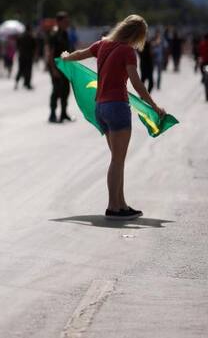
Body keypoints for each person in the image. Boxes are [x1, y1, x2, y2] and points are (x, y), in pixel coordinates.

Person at [60, 14, 164, 220]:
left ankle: (121, 204)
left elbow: (80, 54)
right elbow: (136, 83)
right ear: (136, 35)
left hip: (101, 107)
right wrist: (154, 106)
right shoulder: (127, 52)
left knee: (118, 159)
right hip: (117, 107)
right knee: (118, 160)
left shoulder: (103, 44)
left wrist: (66, 57)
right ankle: (113, 207)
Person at [46, 12, 74, 123]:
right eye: (65, 21)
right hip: (56, 67)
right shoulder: (54, 34)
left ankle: (63, 113)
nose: (67, 23)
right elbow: (50, 53)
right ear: (58, 22)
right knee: (56, 90)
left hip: (64, 66)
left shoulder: (65, 33)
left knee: (66, 90)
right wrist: (53, 69)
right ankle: (52, 114)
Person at [15, 25, 36, 90]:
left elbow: (17, 46)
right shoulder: (31, 37)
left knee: (20, 70)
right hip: (29, 56)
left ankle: (17, 82)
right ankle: (27, 83)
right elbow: (34, 47)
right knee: (28, 71)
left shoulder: (21, 36)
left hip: (22, 56)